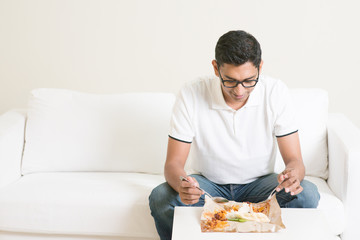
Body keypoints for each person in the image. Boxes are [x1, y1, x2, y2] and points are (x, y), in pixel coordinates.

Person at [149, 30, 320, 240]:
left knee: (307, 194)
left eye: (249, 80)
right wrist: (183, 184)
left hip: (261, 185)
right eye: (230, 80)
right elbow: (173, 164)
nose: (239, 91)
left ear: (260, 67)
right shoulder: (191, 93)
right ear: (215, 68)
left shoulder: (275, 92)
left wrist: (292, 175)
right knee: (161, 197)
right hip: (208, 186)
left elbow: (295, 161)